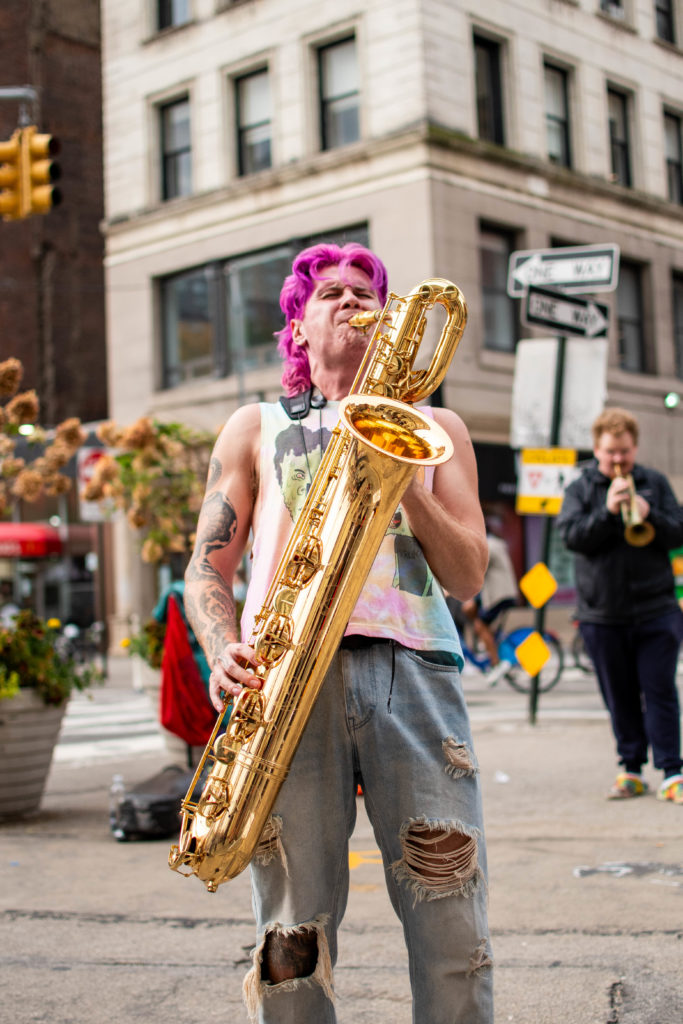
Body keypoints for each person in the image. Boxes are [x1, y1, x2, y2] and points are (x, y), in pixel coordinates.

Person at [183, 242, 493, 1024]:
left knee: (449, 910)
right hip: (284, 682)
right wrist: (222, 651)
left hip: (414, 671)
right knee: (291, 924)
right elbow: (203, 569)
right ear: (297, 325)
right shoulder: (253, 425)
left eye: (366, 291)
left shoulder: (440, 425)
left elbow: (467, 575)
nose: (351, 300)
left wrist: (400, 469)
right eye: (330, 292)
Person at [557, 407, 683, 804]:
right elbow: (573, 537)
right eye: (610, 453)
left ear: (635, 448)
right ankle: (630, 769)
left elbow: (678, 531)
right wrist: (608, 512)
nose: (617, 460)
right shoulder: (580, 489)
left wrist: (651, 515)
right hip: (602, 615)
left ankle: (672, 771)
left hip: (657, 609)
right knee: (620, 694)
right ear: (597, 449)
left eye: (624, 452)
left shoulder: (655, 483)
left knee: (660, 688)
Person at [460, 522, 518, 676]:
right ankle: (490, 645)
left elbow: (477, 570)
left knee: (480, 625)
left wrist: (470, 598)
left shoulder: (489, 546)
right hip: (505, 593)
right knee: (484, 624)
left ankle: (495, 662)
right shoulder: (497, 543)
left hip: (498, 595)